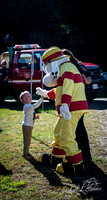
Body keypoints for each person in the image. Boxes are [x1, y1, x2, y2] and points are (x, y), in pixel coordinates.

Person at [36, 46, 89, 175]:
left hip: (72, 108)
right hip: (67, 108)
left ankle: (77, 164)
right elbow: (59, 89)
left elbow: (68, 87)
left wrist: (65, 104)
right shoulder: (64, 69)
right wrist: (46, 93)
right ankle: (57, 157)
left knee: (66, 136)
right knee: (58, 133)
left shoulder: (67, 68)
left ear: (52, 62)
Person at [62, 49, 92, 163]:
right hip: (69, 99)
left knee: (79, 128)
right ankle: (76, 152)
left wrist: (86, 80)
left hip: (78, 98)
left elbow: (89, 78)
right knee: (70, 129)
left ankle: (86, 155)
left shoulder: (77, 64)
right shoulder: (64, 66)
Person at [19, 91, 43, 160]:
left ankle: (27, 152)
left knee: (28, 140)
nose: (30, 97)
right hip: (26, 126)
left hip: (30, 125)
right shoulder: (27, 106)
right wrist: (41, 99)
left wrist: (35, 116)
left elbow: (30, 115)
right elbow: (36, 105)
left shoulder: (29, 106)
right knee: (26, 141)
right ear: (24, 100)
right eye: (28, 96)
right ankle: (25, 154)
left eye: (30, 95)